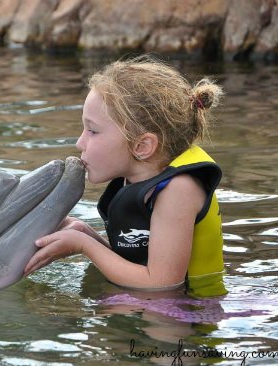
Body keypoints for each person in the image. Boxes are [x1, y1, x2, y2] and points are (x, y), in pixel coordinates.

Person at [24, 55, 227, 297]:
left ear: (142, 147)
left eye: (93, 131)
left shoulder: (178, 190)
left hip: (185, 316)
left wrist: (84, 246)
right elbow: (137, 258)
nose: (80, 142)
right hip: (154, 305)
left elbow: (162, 283)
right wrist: (83, 234)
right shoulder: (140, 176)